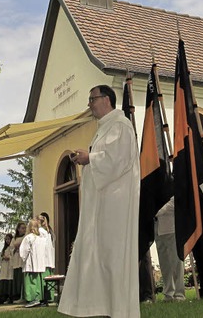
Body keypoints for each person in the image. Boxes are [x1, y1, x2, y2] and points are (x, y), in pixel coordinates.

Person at [58, 85, 140, 318]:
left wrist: (89, 157)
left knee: (112, 255)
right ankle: (99, 307)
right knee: (99, 255)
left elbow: (117, 160)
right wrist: (89, 158)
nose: (89, 104)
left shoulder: (121, 126)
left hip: (116, 205)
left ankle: (118, 309)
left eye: (92, 99)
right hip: (102, 204)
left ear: (106, 100)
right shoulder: (105, 128)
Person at [154, 198, 185, 301]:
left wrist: (156, 211)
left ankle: (179, 294)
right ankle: (168, 293)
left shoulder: (173, 184)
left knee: (176, 262)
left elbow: (174, 202)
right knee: (164, 264)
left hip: (171, 228)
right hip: (157, 228)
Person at [19, 219, 48, 308]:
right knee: (38, 282)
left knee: (31, 281)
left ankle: (32, 299)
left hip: (30, 263)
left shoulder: (29, 237)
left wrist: (23, 259)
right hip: (40, 263)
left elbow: (24, 250)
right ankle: (39, 298)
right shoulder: (42, 238)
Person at [38, 213, 55, 303]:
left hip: (49, 258)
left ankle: (50, 297)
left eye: (43, 219)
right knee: (44, 279)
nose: (42, 222)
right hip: (43, 259)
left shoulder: (50, 231)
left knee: (50, 277)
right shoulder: (39, 230)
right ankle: (45, 297)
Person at [10, 222, 26, 303]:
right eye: (22, 228)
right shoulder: (14, 238)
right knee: (16, 278)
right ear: (18, 229)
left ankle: (21, 295)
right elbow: (11, 248)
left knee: (21, 278)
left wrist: (20, 247)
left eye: (24, 228)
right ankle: (16, 295)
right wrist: (15, 248)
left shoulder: (26, 237)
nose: (23, 229)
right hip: (16, 259)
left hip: (22, 260)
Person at [0, 233, 14, 304]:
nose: (7, 241)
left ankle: (10, 297)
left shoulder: (12, 247)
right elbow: (1, 258)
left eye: (9, 239)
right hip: (5, 267)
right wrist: (3, 257)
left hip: (10, 266)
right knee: (4, 280)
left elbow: (14, 256)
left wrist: (9, 258)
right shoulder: (4, 248)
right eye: (6, 239)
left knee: (9, 280)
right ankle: (3, 297)